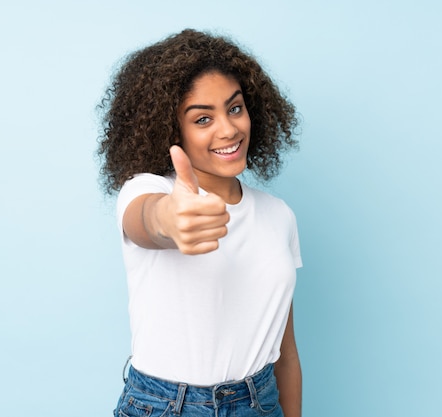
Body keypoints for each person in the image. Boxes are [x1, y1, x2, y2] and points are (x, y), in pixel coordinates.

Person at [98, 28, 302, 417]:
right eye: (203, 118)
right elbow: (149, 219)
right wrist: (170, 220)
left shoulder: (279, 216)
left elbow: (286, 353)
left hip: (260, 402)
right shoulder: (146, 189)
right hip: (166, 406)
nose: (228, 129)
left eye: (235, 108)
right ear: (171, 131)